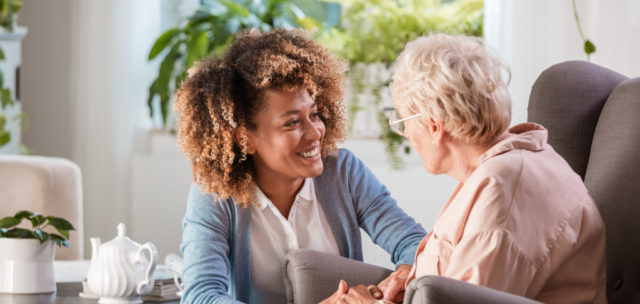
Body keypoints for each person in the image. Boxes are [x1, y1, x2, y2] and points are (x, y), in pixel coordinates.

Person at [327, 33, 607, 304]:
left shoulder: (503, 190)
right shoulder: (505, 167)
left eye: (403, 121)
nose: (407, 134)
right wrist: (412, 283)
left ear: (434, 126)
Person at [173, 28, 427, 304]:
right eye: (292, 122)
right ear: (244, 139)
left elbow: (414, 244)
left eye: (314, 114)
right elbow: (200, 294)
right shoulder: (214, 194)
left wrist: (399, 280)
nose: (315, 132)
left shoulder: (344, 172)